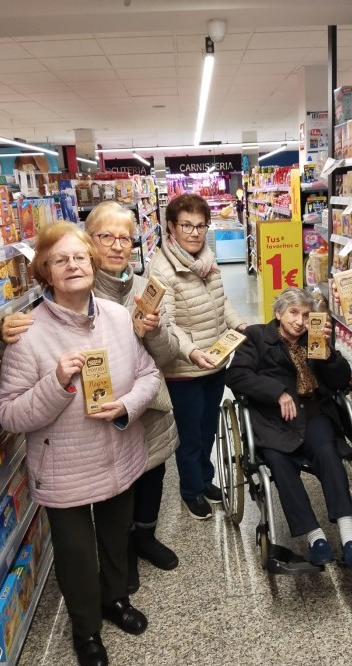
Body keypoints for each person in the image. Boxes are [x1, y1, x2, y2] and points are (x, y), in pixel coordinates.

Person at [0, 221, 160, 666]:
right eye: (59, 260)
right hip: (63, 466)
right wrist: (55, 383)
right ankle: (86, 630)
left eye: (79, 257)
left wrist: (127, 405)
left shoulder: (118, 317)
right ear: (45, 272)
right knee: (75, 554)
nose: (72, 266)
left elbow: (148, 375)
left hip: (119, 453)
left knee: (115, 536)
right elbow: (9, 414)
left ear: (92, 262)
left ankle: (115, 600)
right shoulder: (27, 334)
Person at [0, 202, 181, 594]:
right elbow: (23, 358)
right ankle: (106, 590)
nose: (117, 245)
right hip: (77, 448)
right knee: (90, 537)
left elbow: (161, 360)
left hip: (139, 418)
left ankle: (134, 557)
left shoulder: (142, 289)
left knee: (140, 494)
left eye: (125, 238)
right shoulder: (62, 295)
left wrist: (153, 332)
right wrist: (2, 329)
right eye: (106, 236)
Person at [226, 288, 352, 568]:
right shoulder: (256, 336)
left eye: (306, 315)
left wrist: (328, 354)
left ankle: (349, 536)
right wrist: (277, 392)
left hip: (313, 413)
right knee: (279, 462)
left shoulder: (314, 338)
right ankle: (316, 537)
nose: (300, 321)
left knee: (327, 452)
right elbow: (237, 375)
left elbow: (341, 381)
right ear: (279, 313)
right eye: (293, 313)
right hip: (273, 419)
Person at [147, 193, 247, 520]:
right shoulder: (162, 269)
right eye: (186, 225)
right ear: (171, 227)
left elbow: (221, 302)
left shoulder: (207, 259)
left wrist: (240, 324)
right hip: (184, 369)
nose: (194, 233)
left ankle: (205, 479)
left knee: (207, 429)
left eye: (201, 226)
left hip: (215, 361)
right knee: (190, 436)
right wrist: (192, 351)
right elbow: (167, 323)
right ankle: (191, 490)